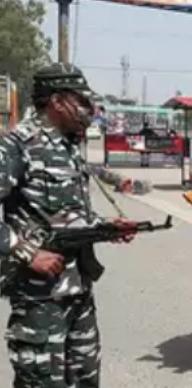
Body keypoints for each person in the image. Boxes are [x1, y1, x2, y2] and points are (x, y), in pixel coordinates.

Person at [0, 63, 136, 387]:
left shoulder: (68, 146)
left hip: (78, 291)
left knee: (86, 379)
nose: (89, 110)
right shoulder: (17, 145)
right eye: (82, 101)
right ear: (58, 101)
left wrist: (104, 227)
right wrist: (28, 253)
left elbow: (64, 214)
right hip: (39, 298)